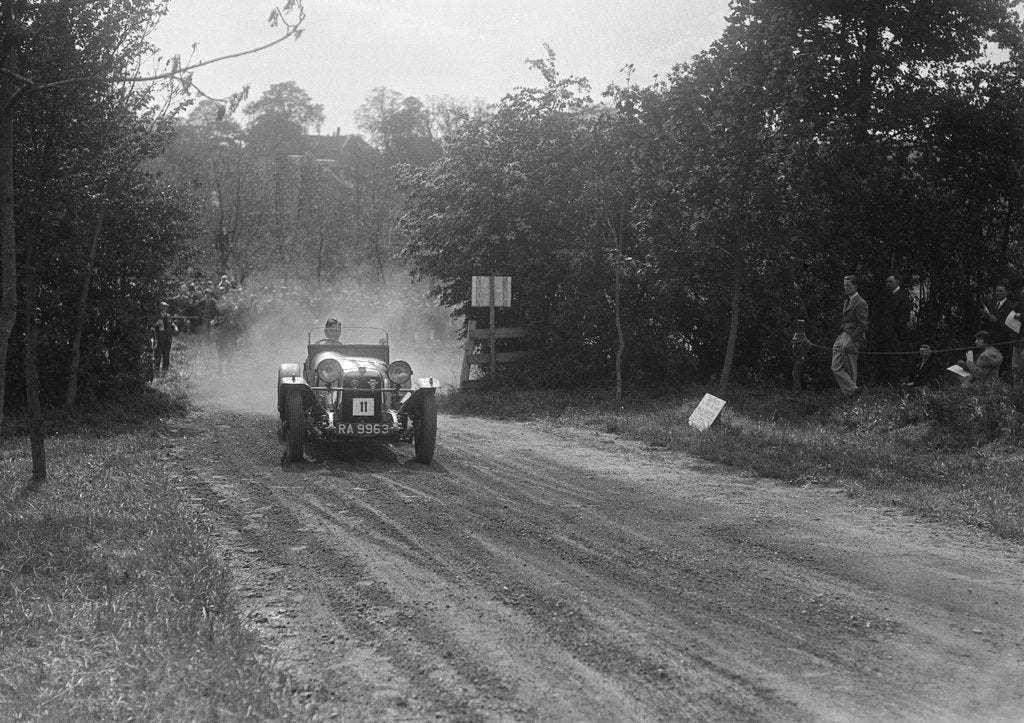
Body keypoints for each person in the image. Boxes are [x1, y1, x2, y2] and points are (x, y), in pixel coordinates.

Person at [832, 274, 869, 397]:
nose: (845, 288)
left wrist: (852, 339)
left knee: (850, 368)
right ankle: (854, 389)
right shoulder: (847, 301)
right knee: (835, 367)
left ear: (855, 286)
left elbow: (863, 325)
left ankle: (851, 398)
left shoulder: (860, 302)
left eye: (848, 285)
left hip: (853, 336)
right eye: (844, 285)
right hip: (843, 334)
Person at [876, 273, 912, 387]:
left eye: (890, 282)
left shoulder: (903, 296)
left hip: (896, 334)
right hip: (886, 333)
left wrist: (895, 330)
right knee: (886, 358)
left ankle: (895, 382)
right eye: (887, 282)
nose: (888, 284)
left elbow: (904, 317)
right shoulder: (888, 296)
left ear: (897, 282)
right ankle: (886, 382)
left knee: (895, 358)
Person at [980, 281, 1013, 378]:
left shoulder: (1011, 307)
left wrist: (996, 321)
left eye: (1001, 291)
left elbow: (1010, 327)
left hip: (1003, 342)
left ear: (1007, 292)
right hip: (990, 340)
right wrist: (985, 317)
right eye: (997, 291)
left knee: (999, 368)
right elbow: (986, 322)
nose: (998, 293)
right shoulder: (991, 303)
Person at [152, 301, 176, 375]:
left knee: (166, 355)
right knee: (158, 354)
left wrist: (175, 327)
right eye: (163, 307)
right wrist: (156, 325)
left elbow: (171, 324)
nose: (164, 308)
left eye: (165, 307)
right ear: (160, 307)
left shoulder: (169, 316)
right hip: (159, 338)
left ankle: (165, 370)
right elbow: (152, 326)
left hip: (167, 338)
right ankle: (156, 369)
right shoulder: (157, 316)